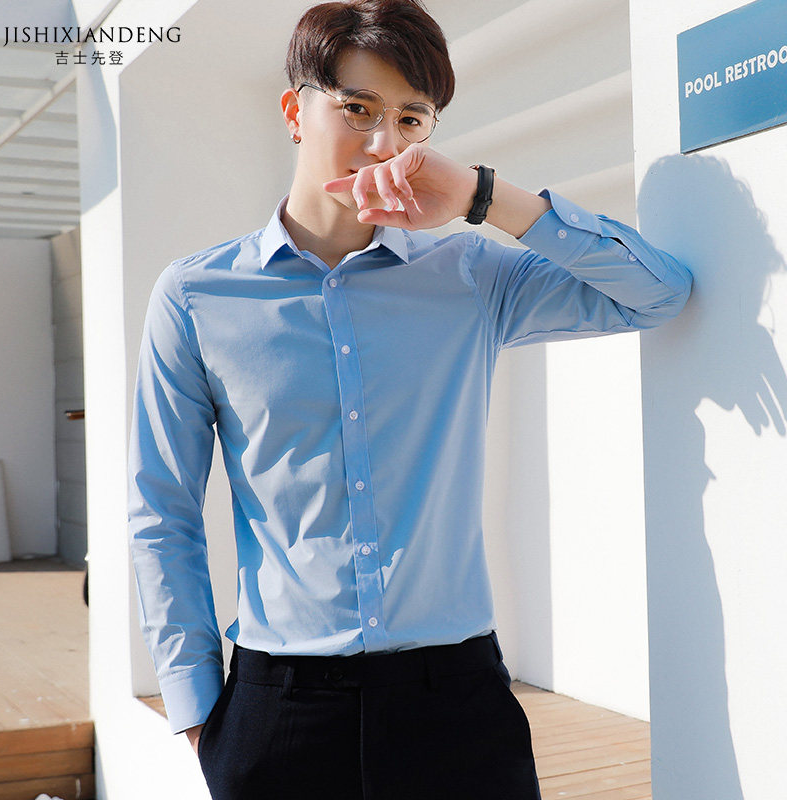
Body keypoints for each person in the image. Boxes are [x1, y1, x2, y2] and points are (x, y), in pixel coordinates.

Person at [127, 1, 693, 798]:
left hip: (456, 703)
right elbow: (163, 510)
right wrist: (196, 712)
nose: (383, 143)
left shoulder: (468, 275)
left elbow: (659, 292)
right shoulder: (195, 296)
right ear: (294, 111)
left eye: (410, 118)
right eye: (357, 108)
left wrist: (482, 196)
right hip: (279, 710)